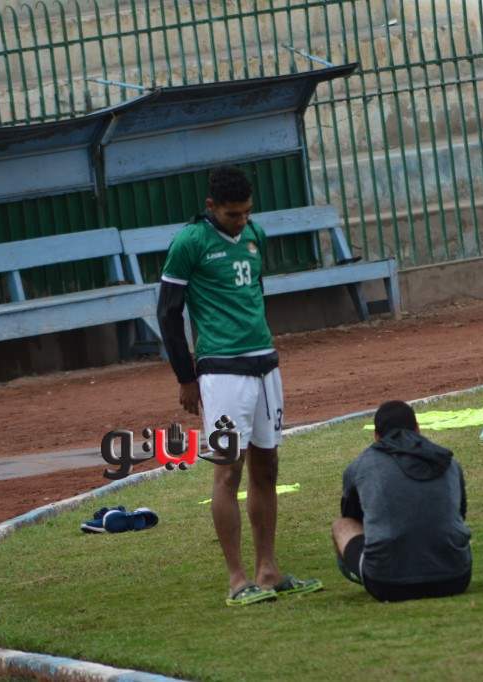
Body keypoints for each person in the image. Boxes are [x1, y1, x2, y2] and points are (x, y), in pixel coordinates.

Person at [157, 165, 322, 607]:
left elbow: (256, 295)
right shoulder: (189, 243)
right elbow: (168, 314)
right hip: (222, 371)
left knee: (267, 468)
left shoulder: (255, 236)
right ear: (211, 207)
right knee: (228, 470)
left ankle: (269, 570)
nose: (242, 220)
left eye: (247, 212)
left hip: (266, 365)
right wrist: (186, 377)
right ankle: (237, 580)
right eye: (233, 214)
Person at [331, 400, 472, 602]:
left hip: (387, 585)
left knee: (341, 525)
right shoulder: (449, 461)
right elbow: (460, 514)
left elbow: (352, 518)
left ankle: (363, 574)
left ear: (376, 436)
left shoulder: (361, 465)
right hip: (455, 577)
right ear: (418, 429)